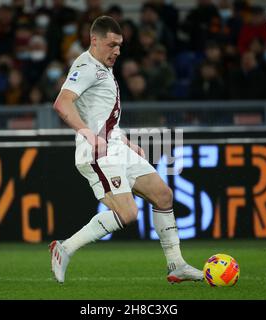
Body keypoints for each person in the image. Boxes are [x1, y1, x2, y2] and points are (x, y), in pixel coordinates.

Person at [51, 16, 203, 284]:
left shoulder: (102, 67)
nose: (117, 51)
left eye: (120, 45)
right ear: (94, 40)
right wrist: (87, 134)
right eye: (112, 45)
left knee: (163, 195)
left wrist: (125, 141)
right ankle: (64, 248)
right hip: (97, 152)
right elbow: (62, 104)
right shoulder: (86, 67)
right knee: (128, 214)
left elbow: (102, 114)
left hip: (116, 146)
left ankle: (176, 265)